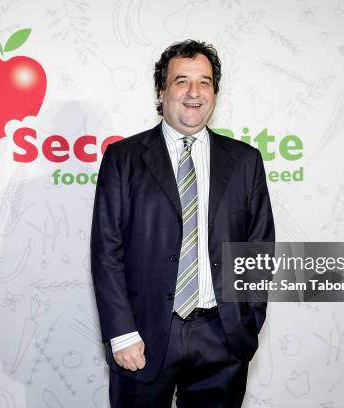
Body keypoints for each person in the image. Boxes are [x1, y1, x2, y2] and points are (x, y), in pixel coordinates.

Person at [90, 39, 275, 408]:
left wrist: (246, 325)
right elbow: (106, 251)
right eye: (182, 81)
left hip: (222, 338)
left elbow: (259, 250)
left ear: (215, 93)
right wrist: (122, 333)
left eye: (205, 82)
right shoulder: (123, 158)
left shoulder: (245, 161)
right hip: (143, 337)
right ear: (161, 92)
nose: (194, 92)